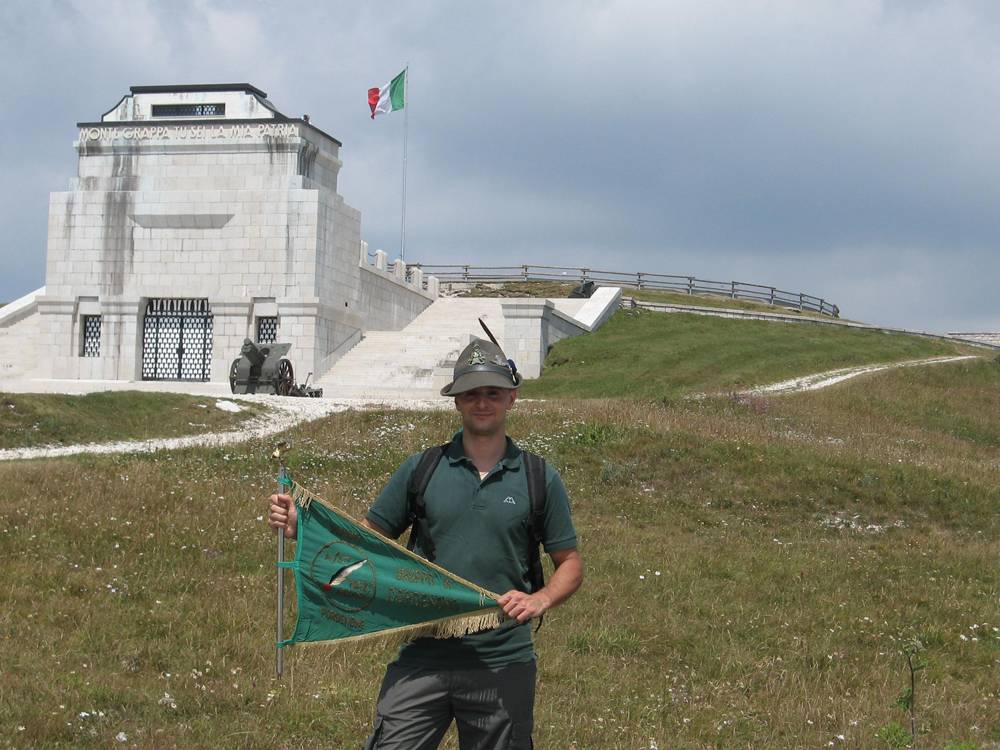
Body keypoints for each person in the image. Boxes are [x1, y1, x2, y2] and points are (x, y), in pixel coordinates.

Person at [268, 336, 583, 749]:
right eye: (471, 393)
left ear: (512, 399)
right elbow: (366, 540)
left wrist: (540, 599)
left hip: (502, 658)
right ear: (456, 401)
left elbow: (571, 563)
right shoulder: (423, 469)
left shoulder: (539, 478)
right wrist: (303, 528)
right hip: (423, 652)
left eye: (493, 393)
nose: (482, 403)